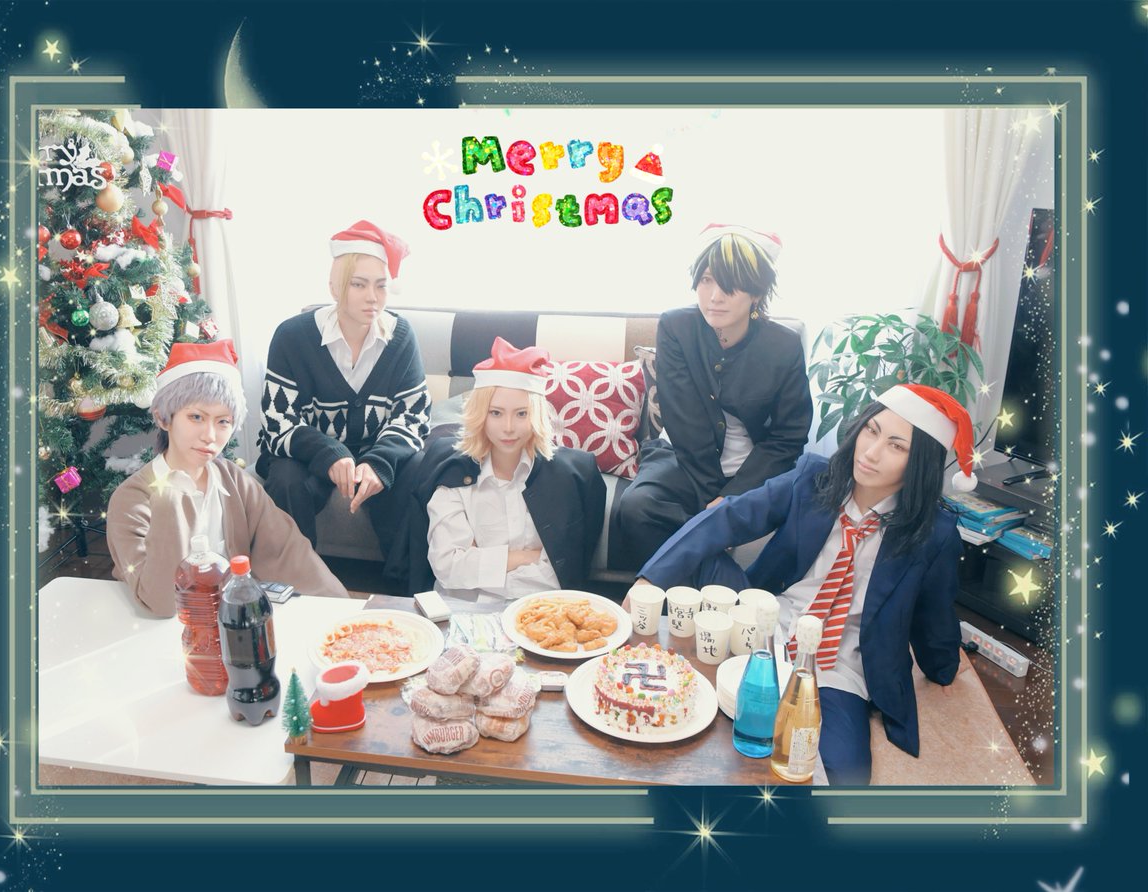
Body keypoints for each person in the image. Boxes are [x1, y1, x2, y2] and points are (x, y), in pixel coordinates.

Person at [632, 384, 975, 784]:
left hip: (837, 665)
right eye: (872, 431)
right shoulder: (814, 478)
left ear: (920, 463)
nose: (871, 452)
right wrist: (648, 579)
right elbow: (730, 517)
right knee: (702, 554)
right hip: (765, 621)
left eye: (896, 446)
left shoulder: (934, 535)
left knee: (842, 775)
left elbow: (935, 617)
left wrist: (943, 671)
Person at [611, 224, 813, 571]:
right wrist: (714, 506)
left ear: (756, 291)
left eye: (730, 283)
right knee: (636, 507)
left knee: (789, 518)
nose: (715, 296)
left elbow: (789, 435)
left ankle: (691, 583)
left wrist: (734, 495)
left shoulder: (783, 345)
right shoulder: (677, 327)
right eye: (706, 280)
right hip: (682, 456)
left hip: (752, 468)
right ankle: (698, 590)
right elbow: (683, 419)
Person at [108, 340, 349, 617]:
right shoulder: (131, 499)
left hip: (229, 621)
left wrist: (340, 611)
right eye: (196, 417)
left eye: (223, 421)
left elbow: (288, 549)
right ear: (163, 418)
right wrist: (169, 501)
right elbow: (161, 603)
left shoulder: (232, 479)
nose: (210, 436)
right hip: (159, 628)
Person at [256, 220, 430, 552]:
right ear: (335, 288)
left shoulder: (401, 336)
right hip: (307, 455)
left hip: (373, 450)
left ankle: (403, 581)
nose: (372, 298)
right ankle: (297, 575)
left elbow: (414, 416)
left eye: (380, 286)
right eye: (358, 285)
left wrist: (379, 462)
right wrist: (328, 453)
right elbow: (277, 422)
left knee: (416, 469)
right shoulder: (291, 337)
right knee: (286, 479)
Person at [394, 338, 605, 601]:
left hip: (538, 609)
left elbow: (559, 573)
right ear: (480, 415)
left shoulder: (568, 478)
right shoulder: (451, 474)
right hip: (462, 607)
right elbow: (448, 567)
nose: (508, 427)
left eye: (521, 414)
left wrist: (478, 562)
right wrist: (527, 557)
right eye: (496, 413)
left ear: (536, 416)